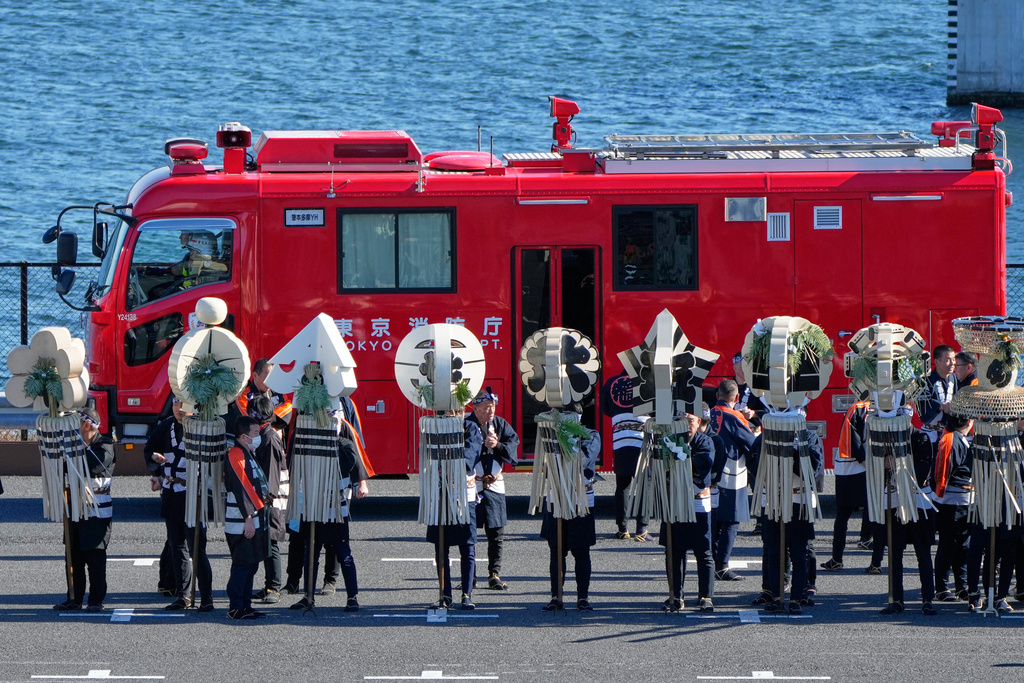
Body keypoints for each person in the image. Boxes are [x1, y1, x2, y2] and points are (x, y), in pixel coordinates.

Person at [289, 410, 370, 612]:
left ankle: (352, 597)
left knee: (344, 553)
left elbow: (350, 462)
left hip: (335, 506)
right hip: (312, 504)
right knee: (311, 553)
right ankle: (308, 595)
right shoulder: (307, 442)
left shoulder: (343, 444)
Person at [144, 397, 214, 612]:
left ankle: (207, 598)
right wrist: (155, 467)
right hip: (171, 492)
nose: (179, 409)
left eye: (184, 404)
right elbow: (150, 448)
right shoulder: (166, 426)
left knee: (197, 549)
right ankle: (183, 596)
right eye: (176, 404)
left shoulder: (203, 428)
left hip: (193, 493)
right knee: (177, 546)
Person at [751, 425, 824, 614]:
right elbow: (753, 462)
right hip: (774, 500)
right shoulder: (767, 436)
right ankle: (776, 595)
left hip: (799, 499)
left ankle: (797, 597)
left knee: (800, 553)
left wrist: (792, 452)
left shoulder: (808, 436)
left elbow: (814, 468)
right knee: (774, 551)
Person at [540, 408, 600, 612]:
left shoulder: (591, 435)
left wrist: (567, 438)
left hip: (580, 497)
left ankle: (583, 597)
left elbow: (583, 460)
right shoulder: (551, 435)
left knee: (581, 551)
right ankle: (556, 596)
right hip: (556, 495)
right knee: (556, 550)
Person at [54, 409, 115, 612]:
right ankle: (74, 597)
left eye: (76, 424)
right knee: (73, 555)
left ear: (86, 425)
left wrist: (70, 454)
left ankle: (96, 599)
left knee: (95, 556)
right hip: (74, 509)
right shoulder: (74, 447)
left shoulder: (104, 445)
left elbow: (92, 466)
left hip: (96, 511)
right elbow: (61, 467)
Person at [660, 411, 717, 612]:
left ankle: (706, 596)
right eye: (681, 421)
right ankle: (676, 595)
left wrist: (681, 456)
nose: (686, 425)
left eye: (690, 421)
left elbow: (704, 464)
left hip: (697, 501)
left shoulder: (705, 442)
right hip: (674, 501)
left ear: (698, 422)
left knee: (703, 551)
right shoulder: (669, 441)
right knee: (674, 551)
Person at [465, 387, 520, 590]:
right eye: (486, 407)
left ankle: (494, 573)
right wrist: (480, 445)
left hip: (494, 482)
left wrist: (497, 446)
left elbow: (513, 446)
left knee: (496, 532)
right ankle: (469, 574)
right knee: (468, 532)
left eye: (493, 407)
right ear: (475, 408)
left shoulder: (499, 424)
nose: (491, 411)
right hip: (472, 483)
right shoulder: (467, 424)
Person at [427, 416, 482, 610]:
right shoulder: (433, 425)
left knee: (467, 546)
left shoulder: (470, 427)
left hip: (464, 496)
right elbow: (425, 452)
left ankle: (467, 594)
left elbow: (473, 452)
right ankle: (445, 594)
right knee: (440, 548)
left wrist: (453, 462)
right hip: (439, 495)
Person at [709, 380, 758, 581]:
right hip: (731, 472)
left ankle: (711, 561)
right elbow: (751, 443)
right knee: (731, 520)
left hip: (709, 473)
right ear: (736, 397)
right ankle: (722, 565)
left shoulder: (708, 414)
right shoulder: (734, 416)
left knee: (714, 520)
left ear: (717, 394)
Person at [224, 416, 271, 619]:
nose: (258, 436)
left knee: (251, 565)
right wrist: (249, 517)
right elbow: (242, 488)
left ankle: (245, 605)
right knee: (243, 565)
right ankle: (236, 607)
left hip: (250, 518)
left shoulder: (246, 452)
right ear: (243, 436)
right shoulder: (236, 454)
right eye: (254, 433)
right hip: (241, 520)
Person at [821, 400, 874, 571]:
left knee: (866, 510)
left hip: (863, 464)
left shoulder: (864, 407)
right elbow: (853, 439)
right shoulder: (861, 408)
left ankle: (843, 557)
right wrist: (867, 460)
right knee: (850, 513)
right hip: (857, 465)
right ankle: (840, 558)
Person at [248, 397, 288, 604]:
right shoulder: (265, 434)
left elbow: (272, 474)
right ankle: (268, 585)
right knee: (266, 541)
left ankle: (274, 587)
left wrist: (266, 499)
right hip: (267, 496)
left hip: (271, 498)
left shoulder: (269, 438)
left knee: (271, 541)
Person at [930, 413, 973, 602]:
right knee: (948, 545)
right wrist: (938, 496)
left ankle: (961, 586)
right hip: (952, 501)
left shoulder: (961, 438)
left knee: (963, 546)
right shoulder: (950, 440)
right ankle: (942, 587)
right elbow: (942, 472)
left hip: (965, 500)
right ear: (969, 422)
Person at [602, 371, 649, 540]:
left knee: (623, 484)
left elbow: (605, 408)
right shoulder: (648, 381)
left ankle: (623, 528)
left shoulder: (613, 381)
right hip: (642, 438)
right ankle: (642, 529)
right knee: (644, 484)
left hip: (620, 437)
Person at [920, 345, 958, 432]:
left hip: (948, 430)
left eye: (954, 359)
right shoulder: (927, 379)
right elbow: (923, 403)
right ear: (936, 362)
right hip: (930, 431)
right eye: (948, 360)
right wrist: (940, 406)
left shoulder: (953, 377)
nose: (953, 363)